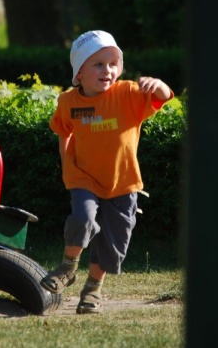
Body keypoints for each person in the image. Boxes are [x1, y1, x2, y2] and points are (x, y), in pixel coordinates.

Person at [40, 30, 174, 314]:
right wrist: (67, 161)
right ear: (79, 74)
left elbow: (163, 97)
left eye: (113, 63)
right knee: (83, 218)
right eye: (98, 64)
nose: (108, 70)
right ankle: (68, 267)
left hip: (123, 182)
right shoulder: (68, 102)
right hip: (83, 178)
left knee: (113, 243)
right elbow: (62, 131)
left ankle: (92, 289)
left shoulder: (127, 93)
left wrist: (158, 84)